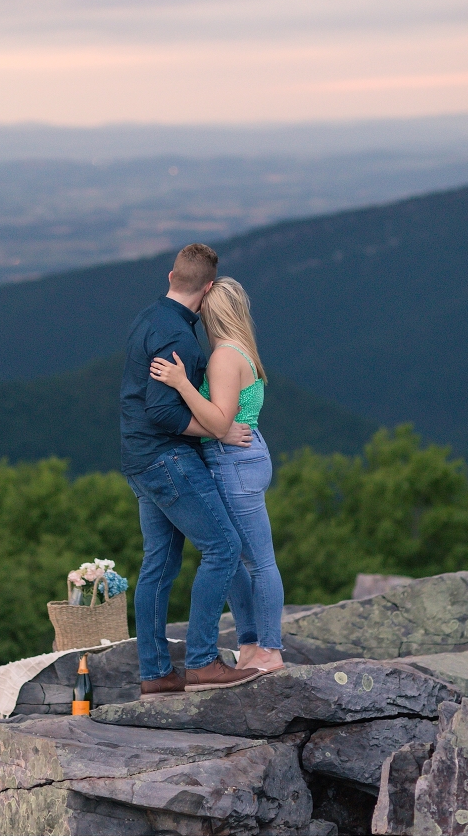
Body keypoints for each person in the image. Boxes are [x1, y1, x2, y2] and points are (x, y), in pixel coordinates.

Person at [120, 243, 262, 699]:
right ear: (206, 290)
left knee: (158, 565)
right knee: (223, 547)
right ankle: (201, 662)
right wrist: (218, 431)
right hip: (167, 459)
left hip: (138, 458)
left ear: (170, 276)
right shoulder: (179, 338)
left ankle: (156, 673)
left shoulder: (148, 318)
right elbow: (163, 412)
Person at [150, 276, 284, 674]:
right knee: (235, 558)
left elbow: (219, 419)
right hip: (240, 457)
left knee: (256, 560)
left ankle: (269, 650)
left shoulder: (225, 356)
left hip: (232, 460)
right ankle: (250, 643)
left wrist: (179, 384)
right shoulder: (242, 349)